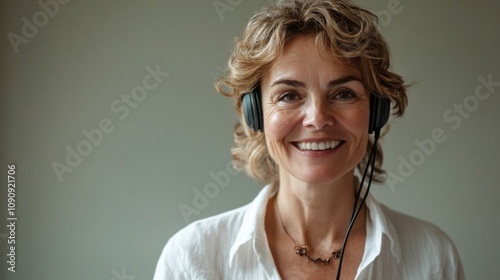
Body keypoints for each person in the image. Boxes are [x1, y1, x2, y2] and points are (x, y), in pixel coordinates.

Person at [153, 0, 465, 279]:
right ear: (255, 114)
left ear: (376, 111)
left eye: (343, 94)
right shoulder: (192, 259)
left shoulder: (432, 258)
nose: (317, 117)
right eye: (288, 95)